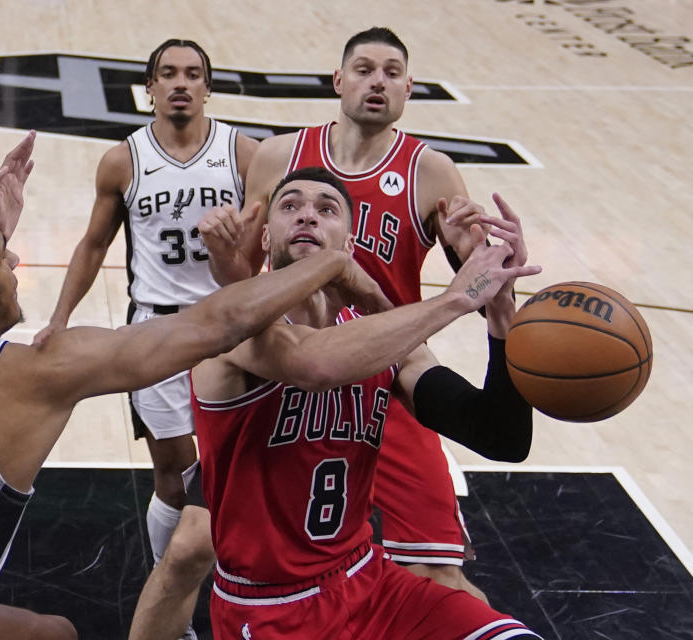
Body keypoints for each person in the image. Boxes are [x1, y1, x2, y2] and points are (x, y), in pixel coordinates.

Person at [0, 133, 380, 639]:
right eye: (4, 257)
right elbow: (219, 322)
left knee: (48, 634)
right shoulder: (21, 377)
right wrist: (329, 258)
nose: (17, 261)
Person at [201, 26, 498, 600]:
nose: (377, 81)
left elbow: (475, 284)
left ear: (410, 89)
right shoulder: (279, 155)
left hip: (387, 373)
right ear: (338, 81)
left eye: (391, 72)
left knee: (438, 572)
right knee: (192, 545)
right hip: (288, 366)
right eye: (364, 69)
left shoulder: (430, 170)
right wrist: (223, 256)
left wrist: (475, 247)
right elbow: (243, 278)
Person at [194, 167, 543, 639]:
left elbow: (501, 437)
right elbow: (314, 365)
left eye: (327, 209)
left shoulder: (379, 337)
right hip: (270, 606)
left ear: (351, 245)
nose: (307, 217)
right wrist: (457, 298)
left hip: (368, 580)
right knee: (180, 554)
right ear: (264, 238)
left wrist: (501, 313)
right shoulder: (234, 323)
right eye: (290, 205)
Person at [32, 40, 258, 638]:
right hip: (155, 331)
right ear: (149, 89)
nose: (180, 83)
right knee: (175, 477)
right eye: (167, 74)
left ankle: (238, 586)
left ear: (208, 88)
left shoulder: (242, 153)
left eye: (193, 74)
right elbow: (94, 245)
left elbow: (272, 239)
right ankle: (172, 602)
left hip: (230, 328)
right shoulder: (123, 161)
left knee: (232, 470)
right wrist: (59, 315)